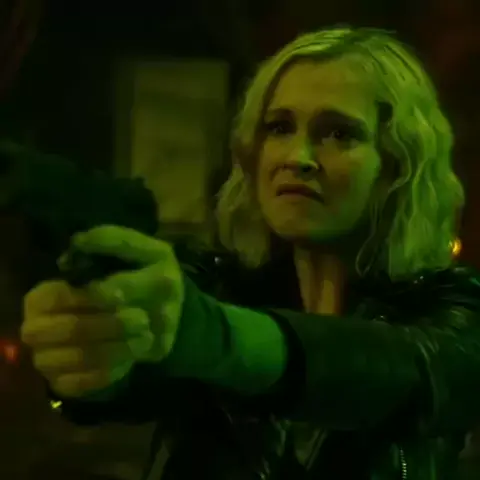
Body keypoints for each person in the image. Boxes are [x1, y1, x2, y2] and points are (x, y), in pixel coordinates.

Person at [20, 26, 480, 480]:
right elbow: (134, 382)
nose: (297, 157)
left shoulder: (455, 309)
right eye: (279, 127)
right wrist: (88, 360)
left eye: (339, 133)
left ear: (398, 163)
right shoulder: (217, 283)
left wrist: (214, 337)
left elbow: (402, 373)